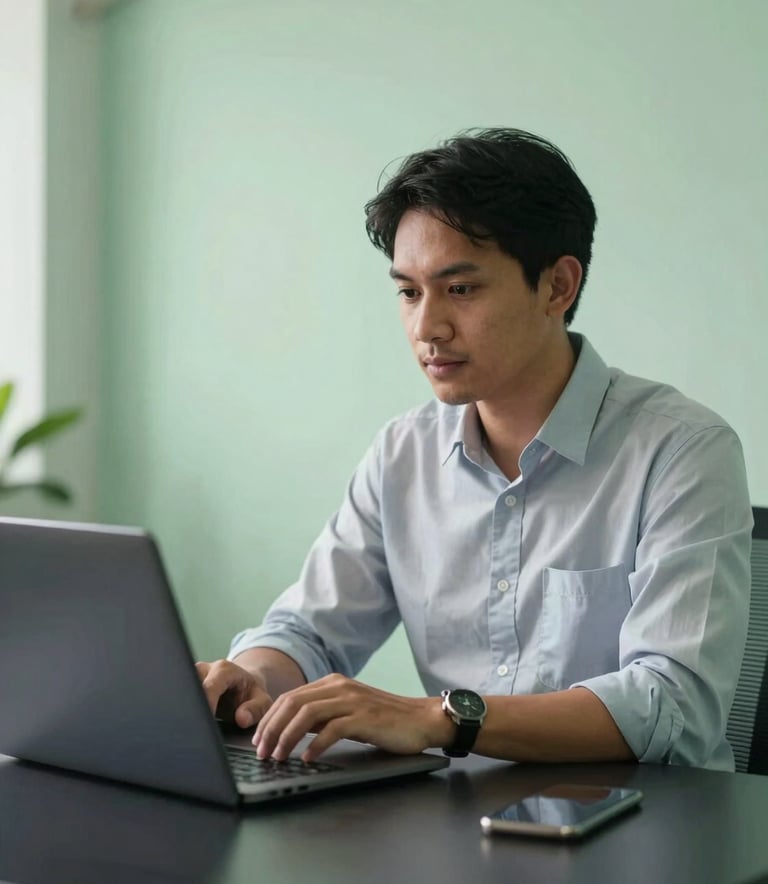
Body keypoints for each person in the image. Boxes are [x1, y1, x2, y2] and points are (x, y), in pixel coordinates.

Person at [197, 128, 752, 771]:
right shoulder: (403, 453)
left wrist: (439, 718)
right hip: (463, 826)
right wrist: (253, 677)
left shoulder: (681, 451)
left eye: (460, 289)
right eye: (408, 291)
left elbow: (673, 703)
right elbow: (308, 632)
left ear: (557, 287)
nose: (426, 327)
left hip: (646, 831)